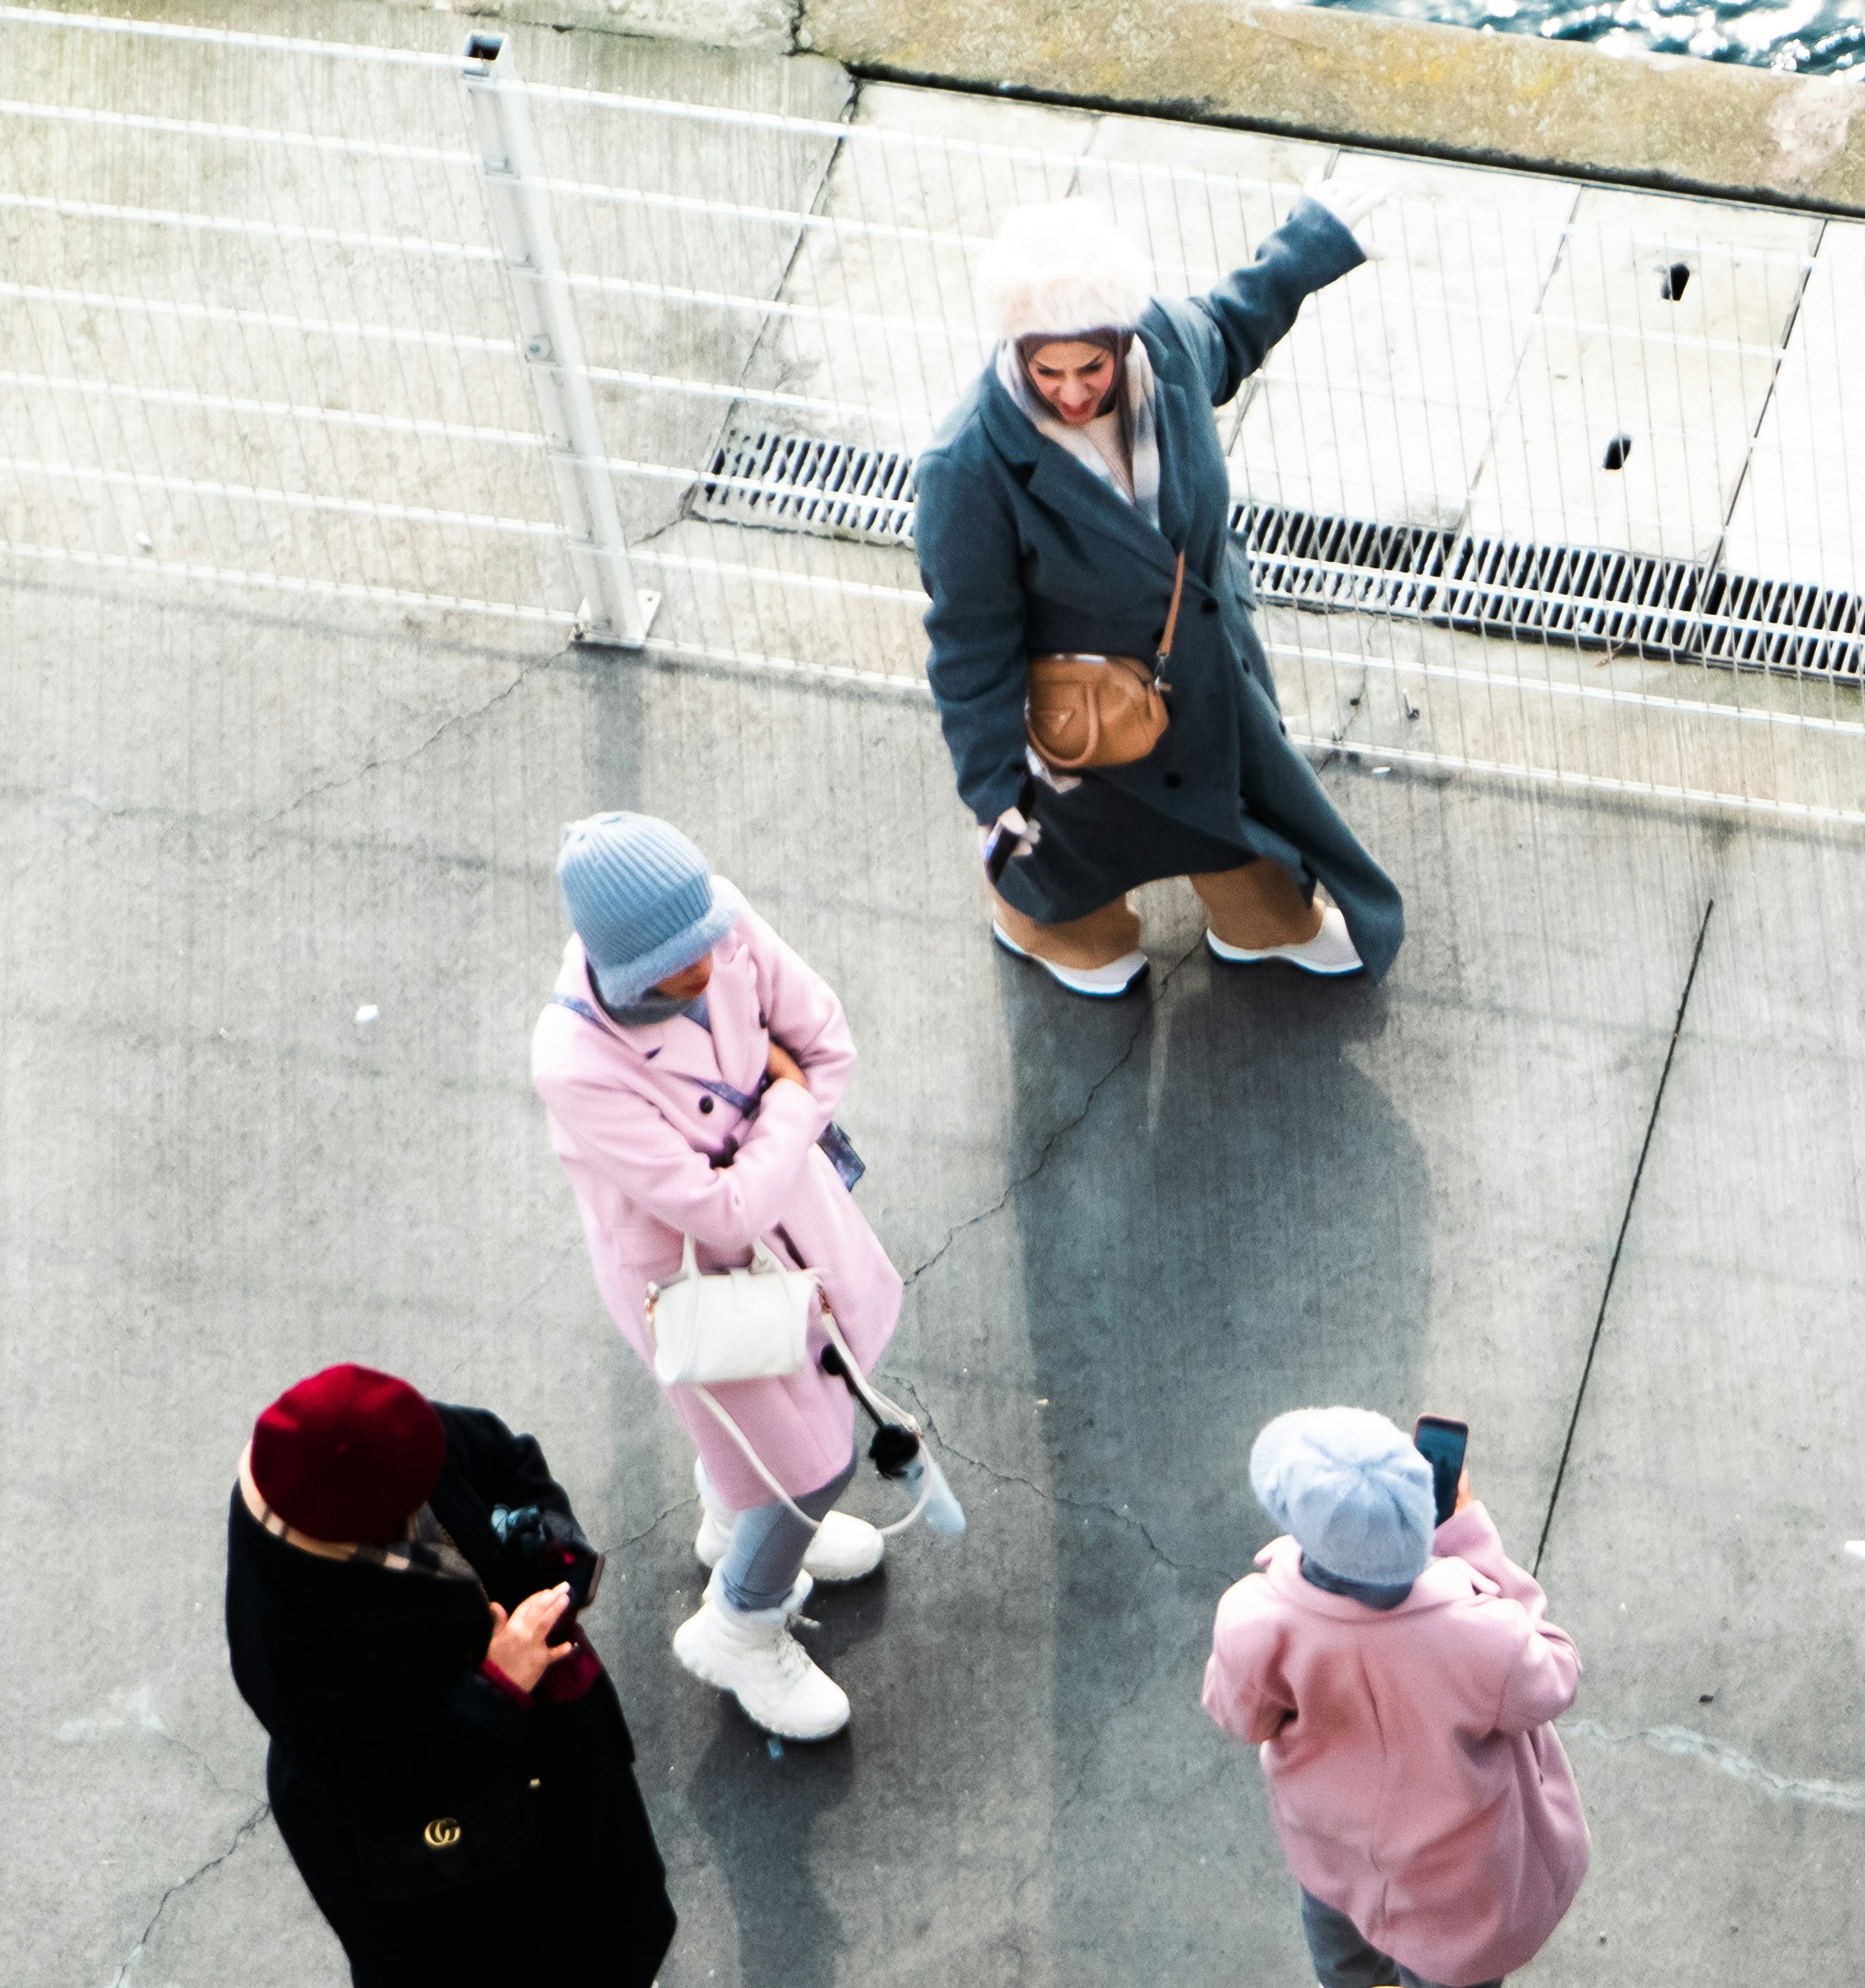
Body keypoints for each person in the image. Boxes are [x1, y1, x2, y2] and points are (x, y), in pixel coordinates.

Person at [915, 180, 1411, 997]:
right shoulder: (966, 468)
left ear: (1121, 336)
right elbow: (969, 642)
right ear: (1017, 350)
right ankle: (1049, 926)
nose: (1072, 393)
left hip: (1204, 670)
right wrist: (994, 789)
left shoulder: (1168, 347)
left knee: (1233, 808)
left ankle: (1257, 921)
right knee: (1079, 848)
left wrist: (1315, 243)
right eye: (1048, 372)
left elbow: (1235, 320)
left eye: (1090, 367)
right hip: (1089, 711)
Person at [221, 1364, 673, 1988]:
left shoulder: (388, 1443)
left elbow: (508, 1462)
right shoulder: (287, 1638)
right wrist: (496, 1687)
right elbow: (370, 1779)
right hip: (433, 1840)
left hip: (539, 1756)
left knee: (594, 1894)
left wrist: (555, 1561)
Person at [527, 811, 910, 1746]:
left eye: (706, 940)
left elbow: (827, 1045)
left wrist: (771, 1124)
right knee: (811, 1461)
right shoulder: (576, 1062)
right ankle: (742, 1619)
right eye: (675, 963)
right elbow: (720, 1213)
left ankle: (735, 1520)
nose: (708, 963)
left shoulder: (719, 922)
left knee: (806, 1407)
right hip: (701, 1284)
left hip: (793, 1224)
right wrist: (782, 1102)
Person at [1202, 1407, 1584, 1988]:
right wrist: (1471, 1541)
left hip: (1331, 1851)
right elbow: (1554, 1673)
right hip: (1457, 1882)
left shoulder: (1255, 1619)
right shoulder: (1480, 1635)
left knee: (1339, 1942)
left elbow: (1237, 1715)